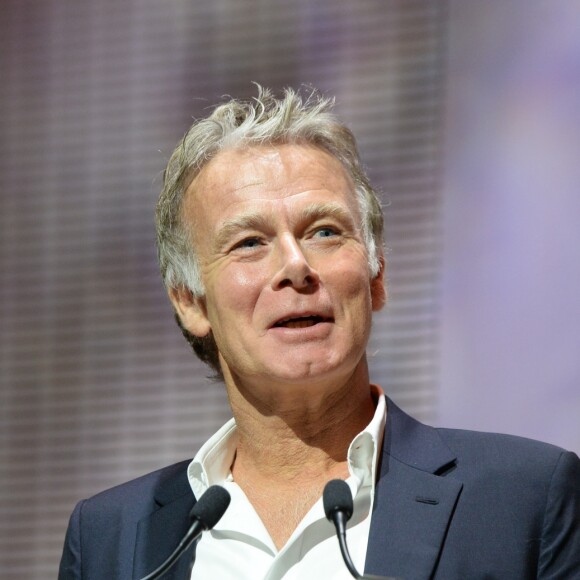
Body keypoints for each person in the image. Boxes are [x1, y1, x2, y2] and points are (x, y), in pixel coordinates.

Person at [59, 86, 580, 580]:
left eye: (325, 232)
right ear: (191, 302)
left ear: (376, 277)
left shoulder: (523, 499)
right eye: (248, 243)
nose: (296, 265)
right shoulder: (112, 535)